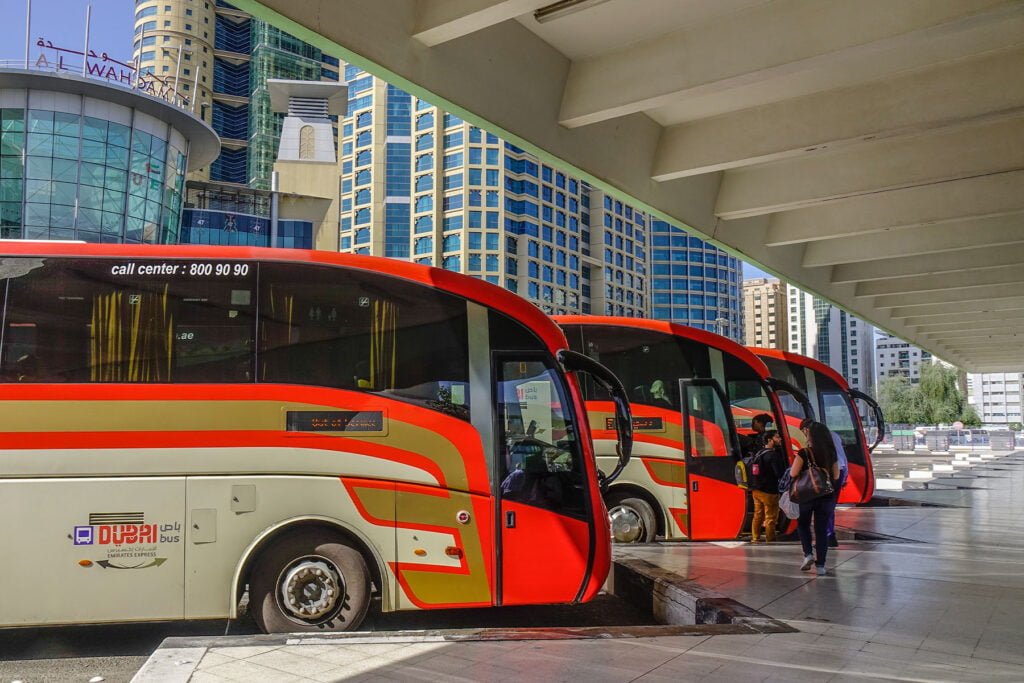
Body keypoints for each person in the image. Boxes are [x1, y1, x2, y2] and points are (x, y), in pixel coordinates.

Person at [791, 420, 840, 576]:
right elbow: (836, 475)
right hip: (826, 495)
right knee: (821, 529)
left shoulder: (804, 453)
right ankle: (821, 566)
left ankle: (808, 554)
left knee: (803, 524)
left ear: (811, 436)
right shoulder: (831, 453)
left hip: (806, 495)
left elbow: (793, 473)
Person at [801, 417, 848, 547]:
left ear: (806, 430)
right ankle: (829, 535)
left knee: (821, 506)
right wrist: (845, 476)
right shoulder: (834, 435)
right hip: (838, 471)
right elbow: (843, 457)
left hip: (823, 474)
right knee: (829, 505)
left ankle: (827, 536)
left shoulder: (814, 439)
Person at [750, 429, 787, 543]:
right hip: (769, 490)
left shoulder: (758, 453)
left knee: (758, 515)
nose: (780, 439)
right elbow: (779, 473)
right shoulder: (773, 455)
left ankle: (755, 537)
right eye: (777, 437)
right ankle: (770, 538)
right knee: (770, 516)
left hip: (756, 489)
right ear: (770, 440)